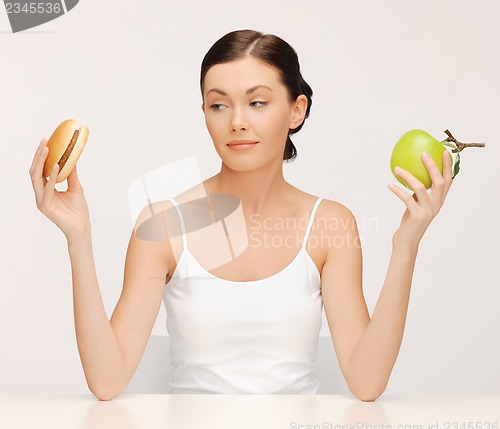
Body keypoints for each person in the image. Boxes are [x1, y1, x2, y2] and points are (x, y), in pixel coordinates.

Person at [29, 29, 453, 401]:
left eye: (257, 102)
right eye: (218, 106)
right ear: (205, 115)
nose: (237, 122)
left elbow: (366, 382)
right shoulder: (162, 225)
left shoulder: (329, 224)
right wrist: (78, 239)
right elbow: (107, 381)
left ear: (296, 110)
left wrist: (406, 244)